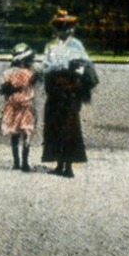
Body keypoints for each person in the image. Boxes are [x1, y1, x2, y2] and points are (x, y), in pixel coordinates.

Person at [40, 10, 93, 178]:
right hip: (55, 89)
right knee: (54, 124)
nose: (65, 30)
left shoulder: (76, 45)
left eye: (68, 26)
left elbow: (84, 65)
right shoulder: (51, 46)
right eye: (61, 27)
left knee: (69, 126)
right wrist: (55, 69)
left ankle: (68, 165)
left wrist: (72, 70)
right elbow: (46, 66)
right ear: (56, 29)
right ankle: (59, 163)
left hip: (70, 90)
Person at [0, 43, 39, 171]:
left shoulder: (7, 73)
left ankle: (16, 162)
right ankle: (25, 163)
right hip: (26, 107)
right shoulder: (30, 74)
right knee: (26, 133)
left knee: (14, 135)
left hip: (12, 107)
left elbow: (5, 92)